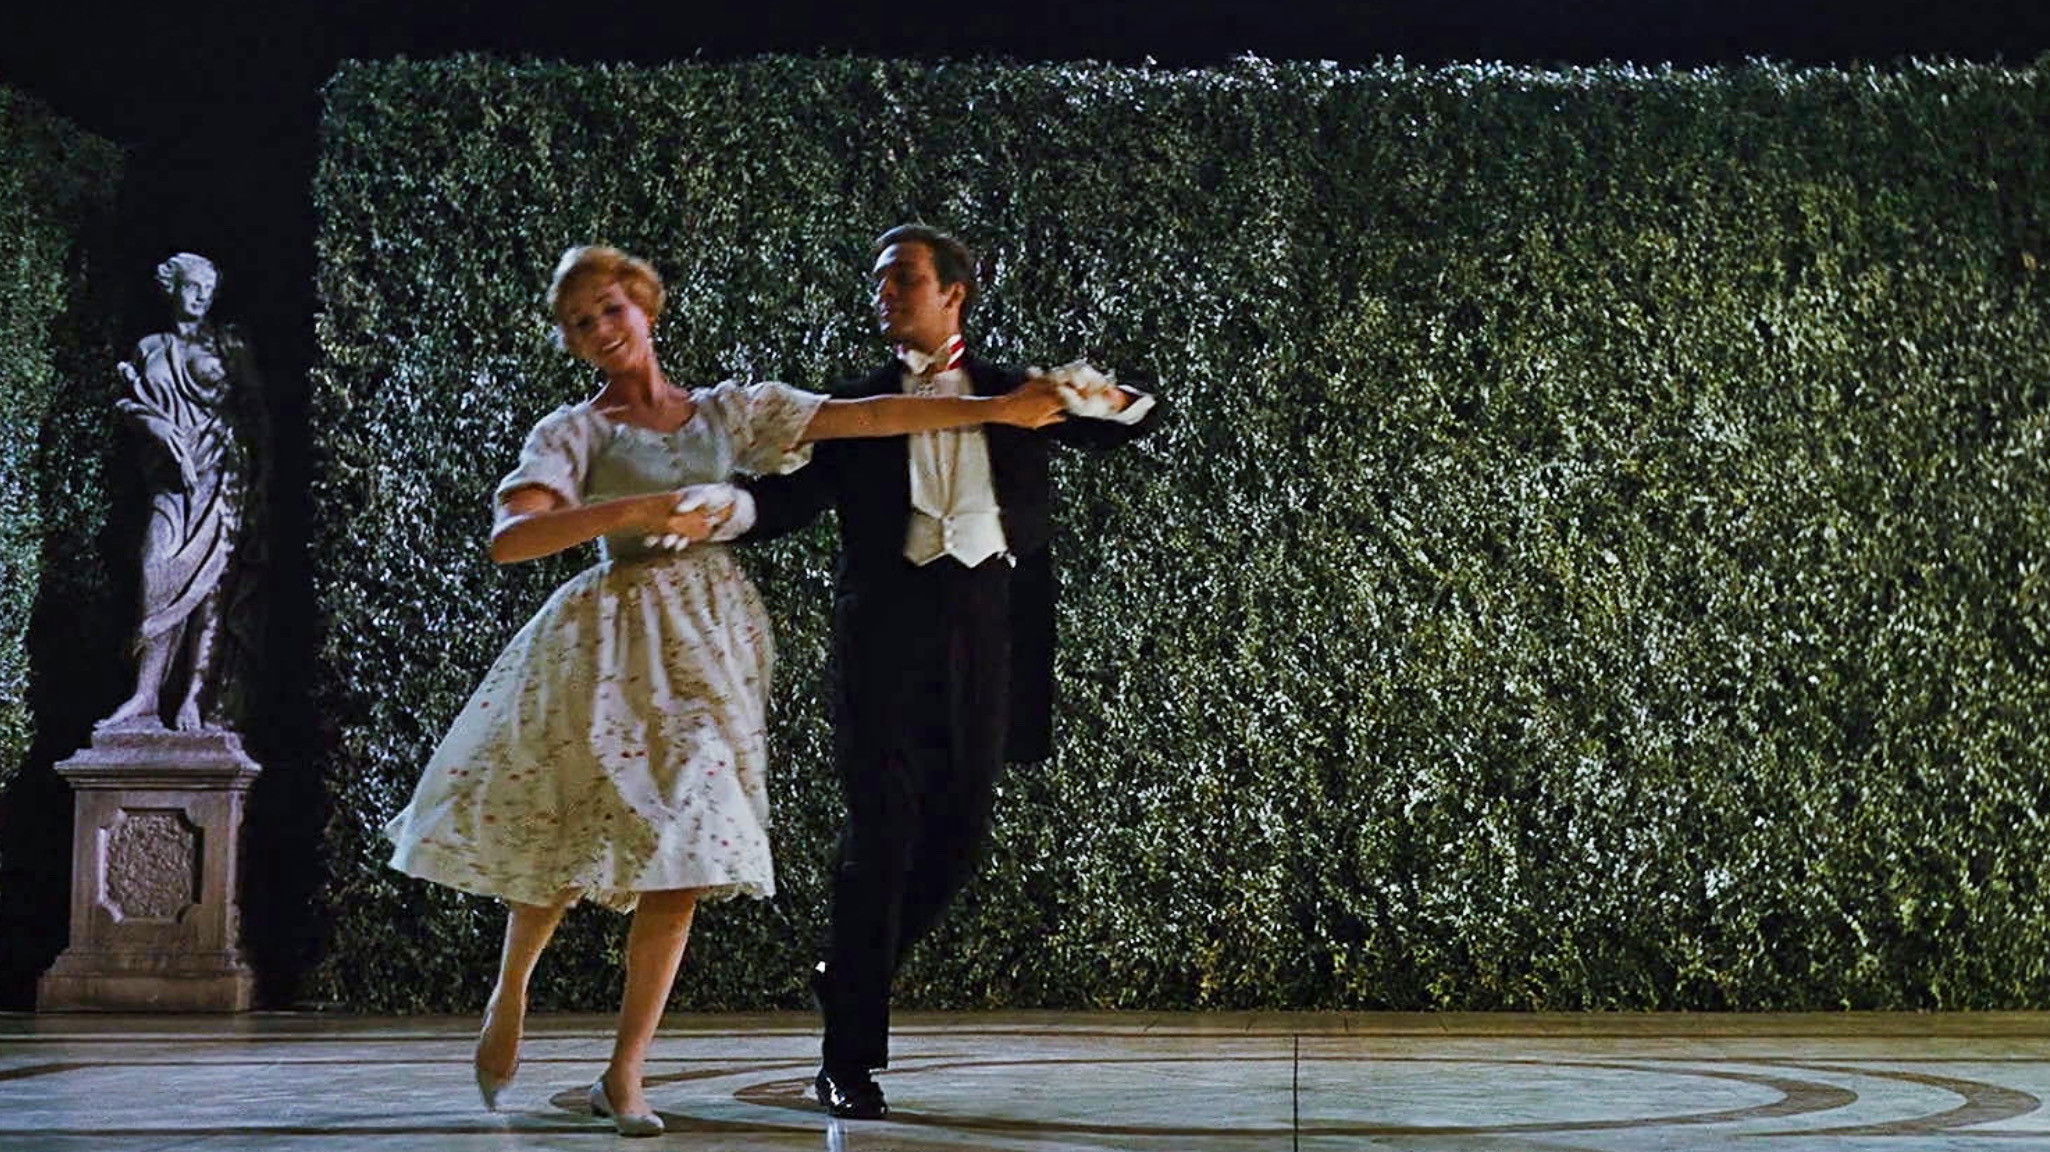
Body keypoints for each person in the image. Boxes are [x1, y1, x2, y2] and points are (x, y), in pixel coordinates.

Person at [381, 245, 1065, 1137]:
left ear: (646, 309)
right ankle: (510, 991)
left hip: (709, 645)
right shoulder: (575, 432)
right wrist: (636, 511)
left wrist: (995, 408)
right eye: (583, 323)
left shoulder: (727, 411)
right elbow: (514, 536)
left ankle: (626, 1073)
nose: (602, 330)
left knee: (692, 848)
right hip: (609, 642)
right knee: (570, 821)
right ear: (574, 343)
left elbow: (868, 417)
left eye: (612, 309)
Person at [728, 224, 1162, 1119]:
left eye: (903, 279)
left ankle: (852, 974)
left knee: (960, 841)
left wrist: (1101, 394)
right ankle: (848, 1060)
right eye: (878, 281)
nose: (884, 294)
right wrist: (705, 509)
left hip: (988, 632)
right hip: (883, 638)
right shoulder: (855, 405)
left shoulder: (1017, 392)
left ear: (954, 293)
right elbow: (789, 503)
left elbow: (1137, 419)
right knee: (879, 843)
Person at [101, 252, 266, 731]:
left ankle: (196, 698)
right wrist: (152, 423)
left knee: (213, 583)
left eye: (207, 290)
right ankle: (145, 695)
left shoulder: (229, 344)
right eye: (192, 287)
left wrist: (259, 483)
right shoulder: (150, 347)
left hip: (221, 471)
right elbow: (128, 405)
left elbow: (256, 414)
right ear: (171, 288)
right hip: (172, 477)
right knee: (155, 566)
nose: (200, 297)